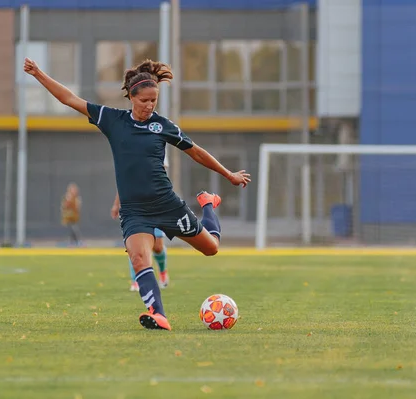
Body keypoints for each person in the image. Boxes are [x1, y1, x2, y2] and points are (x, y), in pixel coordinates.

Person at [24, 57, 250, 331]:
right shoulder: (111, 119)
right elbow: (69, 99)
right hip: (135, 211)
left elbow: (195, 151)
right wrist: (38, 73)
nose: (150, 105)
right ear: (131, 97)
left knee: (211, 248)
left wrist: (228, 175)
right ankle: (159, 315)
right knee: (139, 258)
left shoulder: (162, 125)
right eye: (144, 100)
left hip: (166, 204)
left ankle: (209, 205)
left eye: (154, 100)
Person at [111, 152, 170, 292]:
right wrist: (116, 204)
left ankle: (163, 273)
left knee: (157, 246)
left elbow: (162, 177)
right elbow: (123, 182)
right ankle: (136, 281)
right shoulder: (128, 153)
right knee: (135, 242)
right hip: (134, 205)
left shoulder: (155, 143)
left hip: (155, 205)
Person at [61, 182, 82, 246]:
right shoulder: (67, 197)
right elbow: (64, 206)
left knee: (74, 229)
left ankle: (76, 242)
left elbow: (77, 207)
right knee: (71, 230)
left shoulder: (76, 198)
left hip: (74, 218)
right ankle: (72, 242)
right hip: (68, 218)